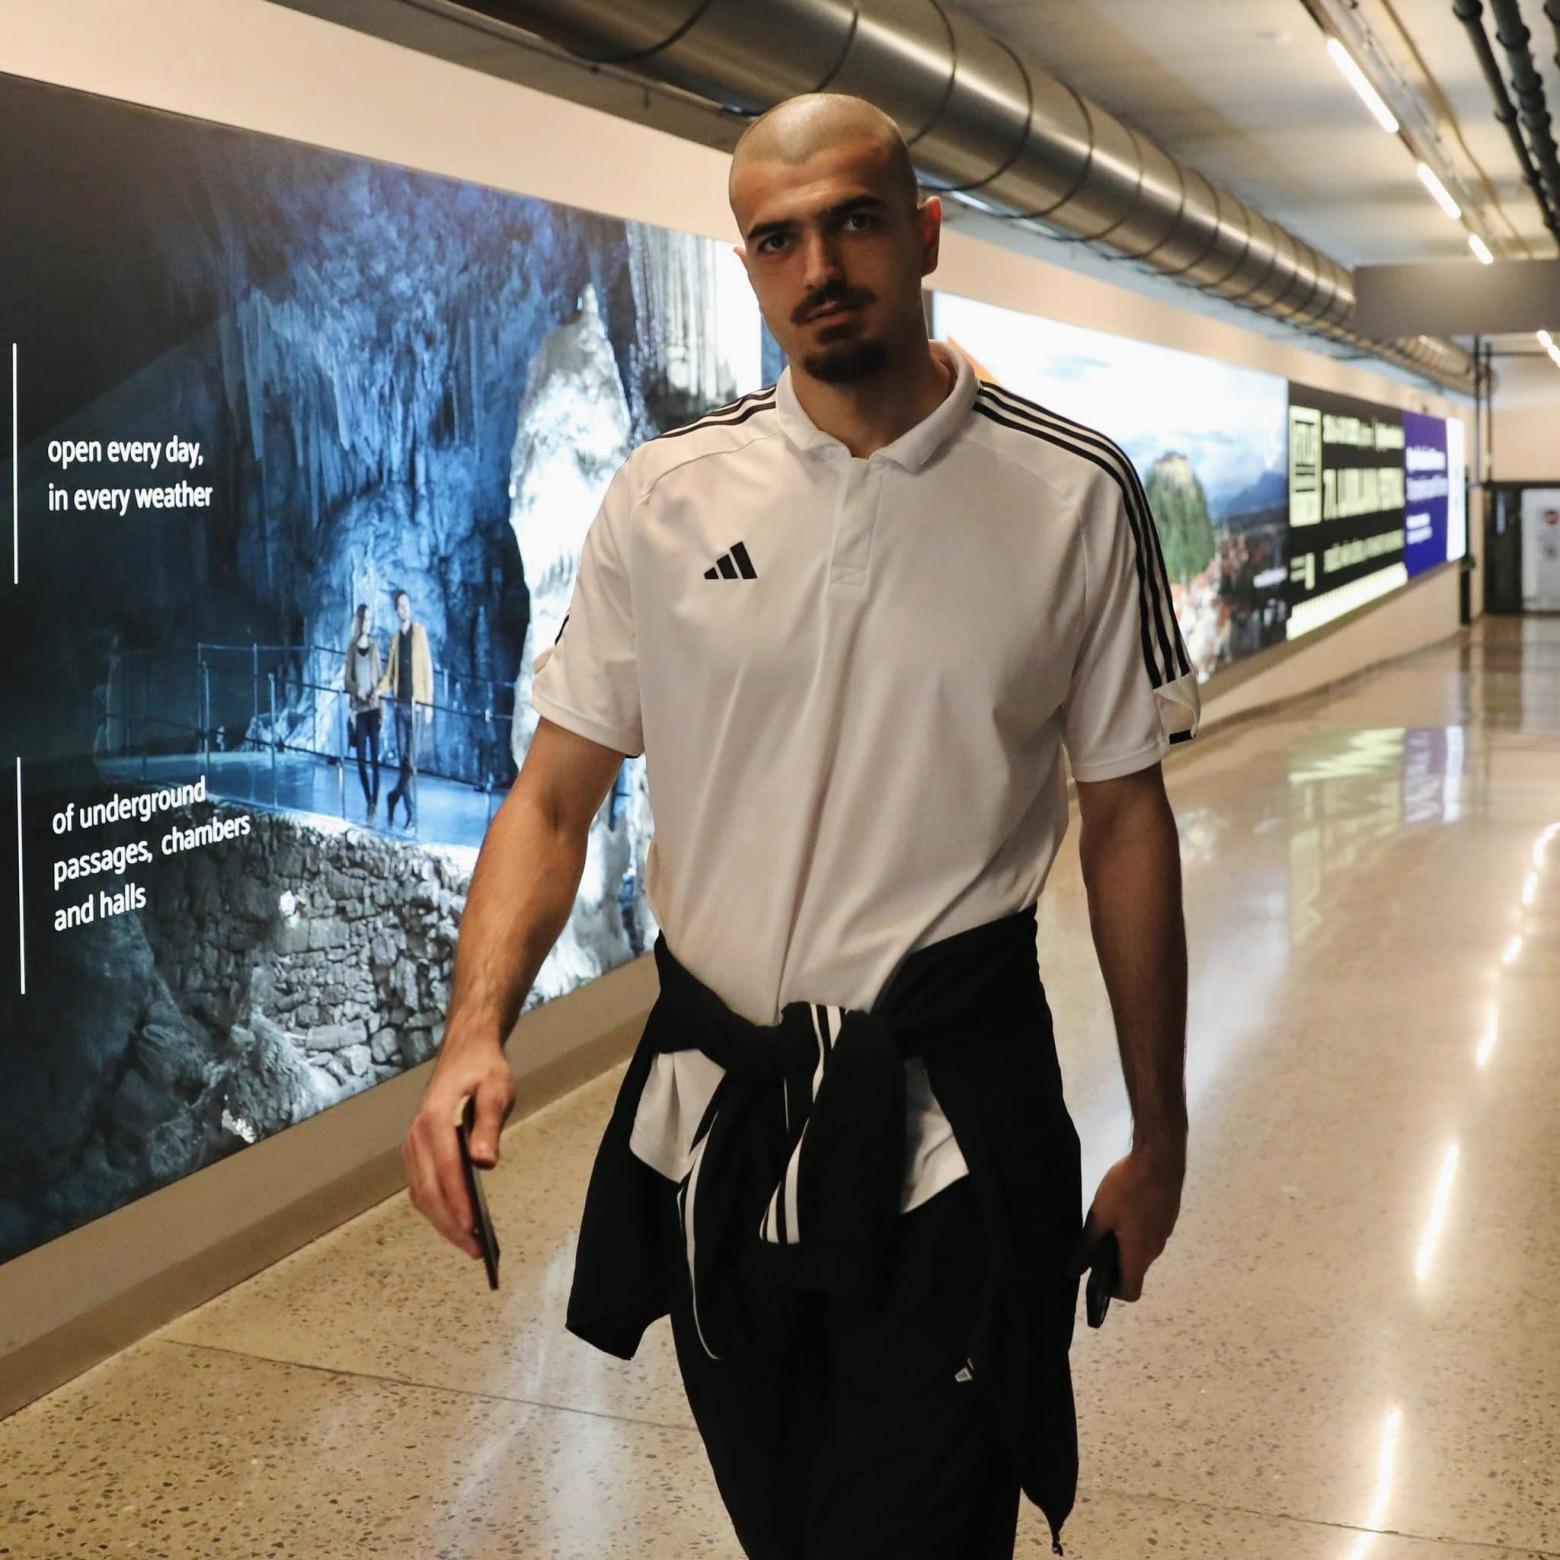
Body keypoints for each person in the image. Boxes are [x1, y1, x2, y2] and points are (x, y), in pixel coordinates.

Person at [401, 91, 1199, 1559]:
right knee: (782, 1520)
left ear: (927, 234)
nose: (819, 268)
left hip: (951, 1115)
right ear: (748, 264)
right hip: (723, 1112)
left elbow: (1126, 821)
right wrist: (473, 1036)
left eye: (855, 223)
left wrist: (1161, 1136)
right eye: (777, 240)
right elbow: (557, 795)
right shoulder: (669, 494)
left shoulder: (1073, 494)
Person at [379, 588, 433, 830]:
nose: (405, 609)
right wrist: (378, 691)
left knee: (411, 762)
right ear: (396, 610)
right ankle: (411, 815)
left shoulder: (420, 633)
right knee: (404, 762)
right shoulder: (394, 640)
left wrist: (428, 704)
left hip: (417, 706)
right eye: (401, 606)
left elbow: (427, 670)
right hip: (399, 707)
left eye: (407, 605)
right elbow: (390, 675)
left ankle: (394, 796)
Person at [343, 603, 384, 823]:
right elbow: (346, 680)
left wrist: (378, 697)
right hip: (359, 710)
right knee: (361, 759)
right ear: (359, 621)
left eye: (370, 619)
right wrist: (356, 689)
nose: (368, 623)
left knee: (375, 758)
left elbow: (380, 677)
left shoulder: (375, 648)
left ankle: (374, 802)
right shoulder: (351, 649)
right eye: (365, 619)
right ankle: (369, 799)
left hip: (373, 709)